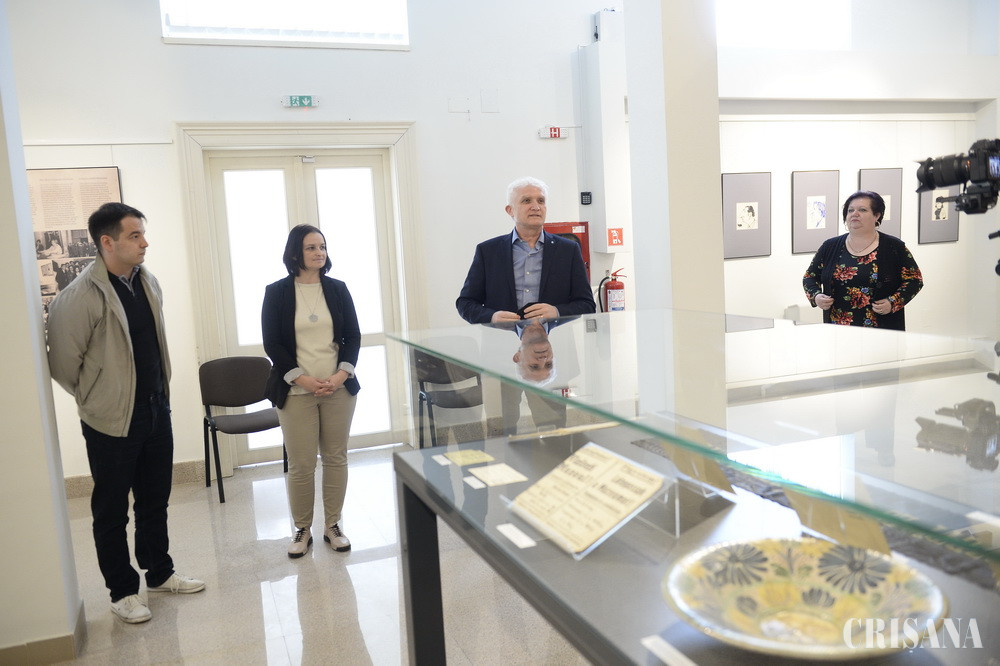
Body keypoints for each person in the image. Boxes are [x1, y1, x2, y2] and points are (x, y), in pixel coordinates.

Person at [47, 202, 204, 625]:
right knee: (112, 510)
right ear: (107, 242)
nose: (144, 243)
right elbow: (63, 366)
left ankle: (160, 573)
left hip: (155, 409)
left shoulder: (146, 280)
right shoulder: (78, 297)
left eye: (143, 234)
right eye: (135, 236)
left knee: (154, 501)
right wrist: (100, 397)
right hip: (110, 420)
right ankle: (122, 591)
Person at [262, 224, 361, 559]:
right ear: (295, 253)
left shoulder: (338, 289)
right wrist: (301, 379)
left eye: (323, 247)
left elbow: (353, 336)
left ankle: (333, 525)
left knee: (335, 457)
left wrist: (340, 375)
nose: (320, 253)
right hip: (295, 390)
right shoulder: (277, 292)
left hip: (338, 388)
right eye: (311, 248)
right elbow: (272, 343)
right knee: (302, 464)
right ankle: (302, 528)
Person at [456, 176, 595, 324]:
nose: (536, 207)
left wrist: (557, 312)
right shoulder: (488, 251)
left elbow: (587, 305)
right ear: (510, 210)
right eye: (526, 200)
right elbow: (465, 303)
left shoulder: (568, 250)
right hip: (502, 336)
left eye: (541, 201)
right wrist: (491, 317)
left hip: (554, 336)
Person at [803, 190, 923, 330]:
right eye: (850, 210)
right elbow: (809, 277)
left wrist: (893, 302)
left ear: (877, 215)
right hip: (838, 329)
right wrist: (816, 296)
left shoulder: (894, 247)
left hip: (882, 330)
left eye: (862, 210)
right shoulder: (830, 246)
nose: (855, 214)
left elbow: (914, 280)